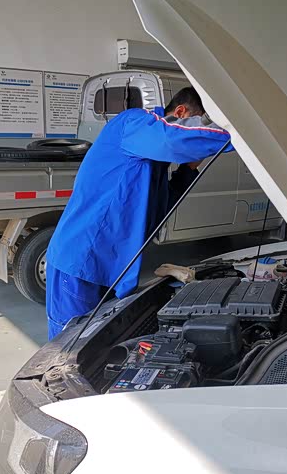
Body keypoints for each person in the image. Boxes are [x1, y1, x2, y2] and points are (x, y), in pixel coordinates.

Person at [45, 87, 231, 339]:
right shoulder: (131, 122)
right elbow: (172, 139)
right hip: (80, 262)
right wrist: (237, 131)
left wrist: (188, 170)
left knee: (100, 341)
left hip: (112, 267)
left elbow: (159, 210)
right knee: (69, 345)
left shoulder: (152, 161)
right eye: (198, 122)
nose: (199, 131)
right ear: (180, 112)